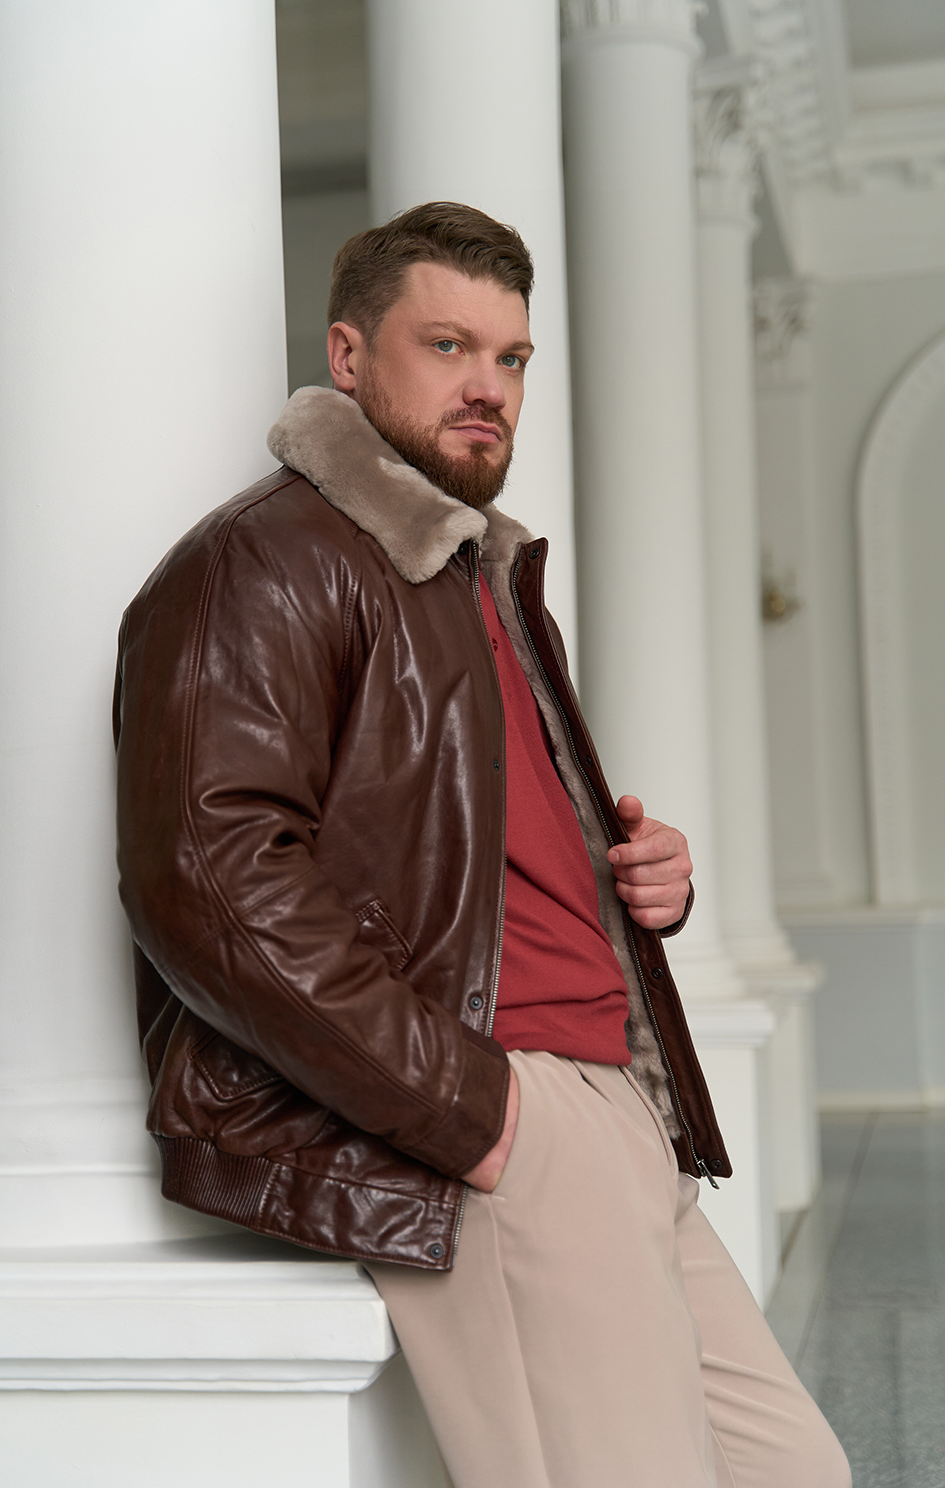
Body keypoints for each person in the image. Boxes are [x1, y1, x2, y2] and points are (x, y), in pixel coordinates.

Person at [114, 202, 850, 1487]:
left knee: (793, 1470)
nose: (487, 387)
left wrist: (637, 884)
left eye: (509, 358)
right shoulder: (262, 563)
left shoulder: (478, 576)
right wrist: (470, 1111)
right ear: (348, 357)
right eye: (446, 345)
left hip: (616, 1104)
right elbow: (210, 879)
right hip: (499, 1112)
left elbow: (462, 851)